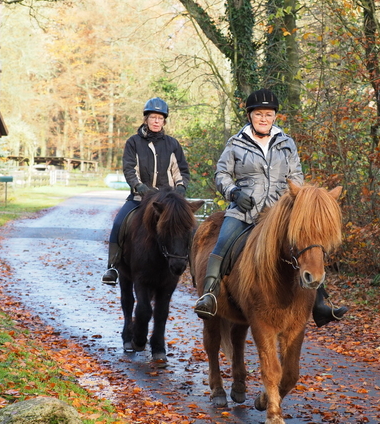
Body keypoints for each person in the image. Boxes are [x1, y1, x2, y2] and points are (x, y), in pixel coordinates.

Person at [193, 88, 348, 327]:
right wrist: (234, 192)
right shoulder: (235, 143)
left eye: (268, 114)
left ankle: (320, 303)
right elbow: (221, 174)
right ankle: (210, 295)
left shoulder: (286, 143)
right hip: (244, 212)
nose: (263, 118)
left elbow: (296, 176)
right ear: (250, 116)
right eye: (258, 114)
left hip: (279, 215)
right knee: (223, 243)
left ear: (275, 116)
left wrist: (297, 201)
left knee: (308, 246)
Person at [101, 97, 190, 285]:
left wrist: (181, 187)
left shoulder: (172, 144)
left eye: (160, 118)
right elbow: (129, 168)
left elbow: (180, 170)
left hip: (166, 202)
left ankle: (192, 265)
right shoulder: (133, 142)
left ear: (164, 121)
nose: (156, 121)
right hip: (139, 198)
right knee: (119, 224)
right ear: (146, 119)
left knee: (188, 227)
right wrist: (138, 186)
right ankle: (112, 266)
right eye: (153, 117)